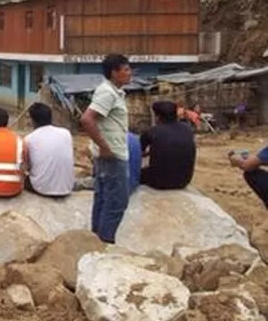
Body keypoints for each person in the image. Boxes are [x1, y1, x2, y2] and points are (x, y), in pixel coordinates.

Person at [80, 54, 132, 244]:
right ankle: (105, 242)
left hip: (111, 153)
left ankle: (97, 240)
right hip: (112, 156)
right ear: (114, 73)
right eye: (125, 70)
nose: (129, 73)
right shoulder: (107, 93)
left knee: (103, 198)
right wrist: (104, 147)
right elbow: (87, 119)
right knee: (116, 201)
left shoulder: (114, 92)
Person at [139, 101, 196, 190]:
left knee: (135, 173)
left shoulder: (152, 132)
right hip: (183, 181)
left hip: (158, 182)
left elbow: (138, 152)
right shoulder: (188, 129)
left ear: (157, 117)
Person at [23, 103, 74, 198]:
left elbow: (27, 166)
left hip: (41, 188)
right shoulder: (66, 133)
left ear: (33, 120)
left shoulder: (29, 139)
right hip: (67, 187)